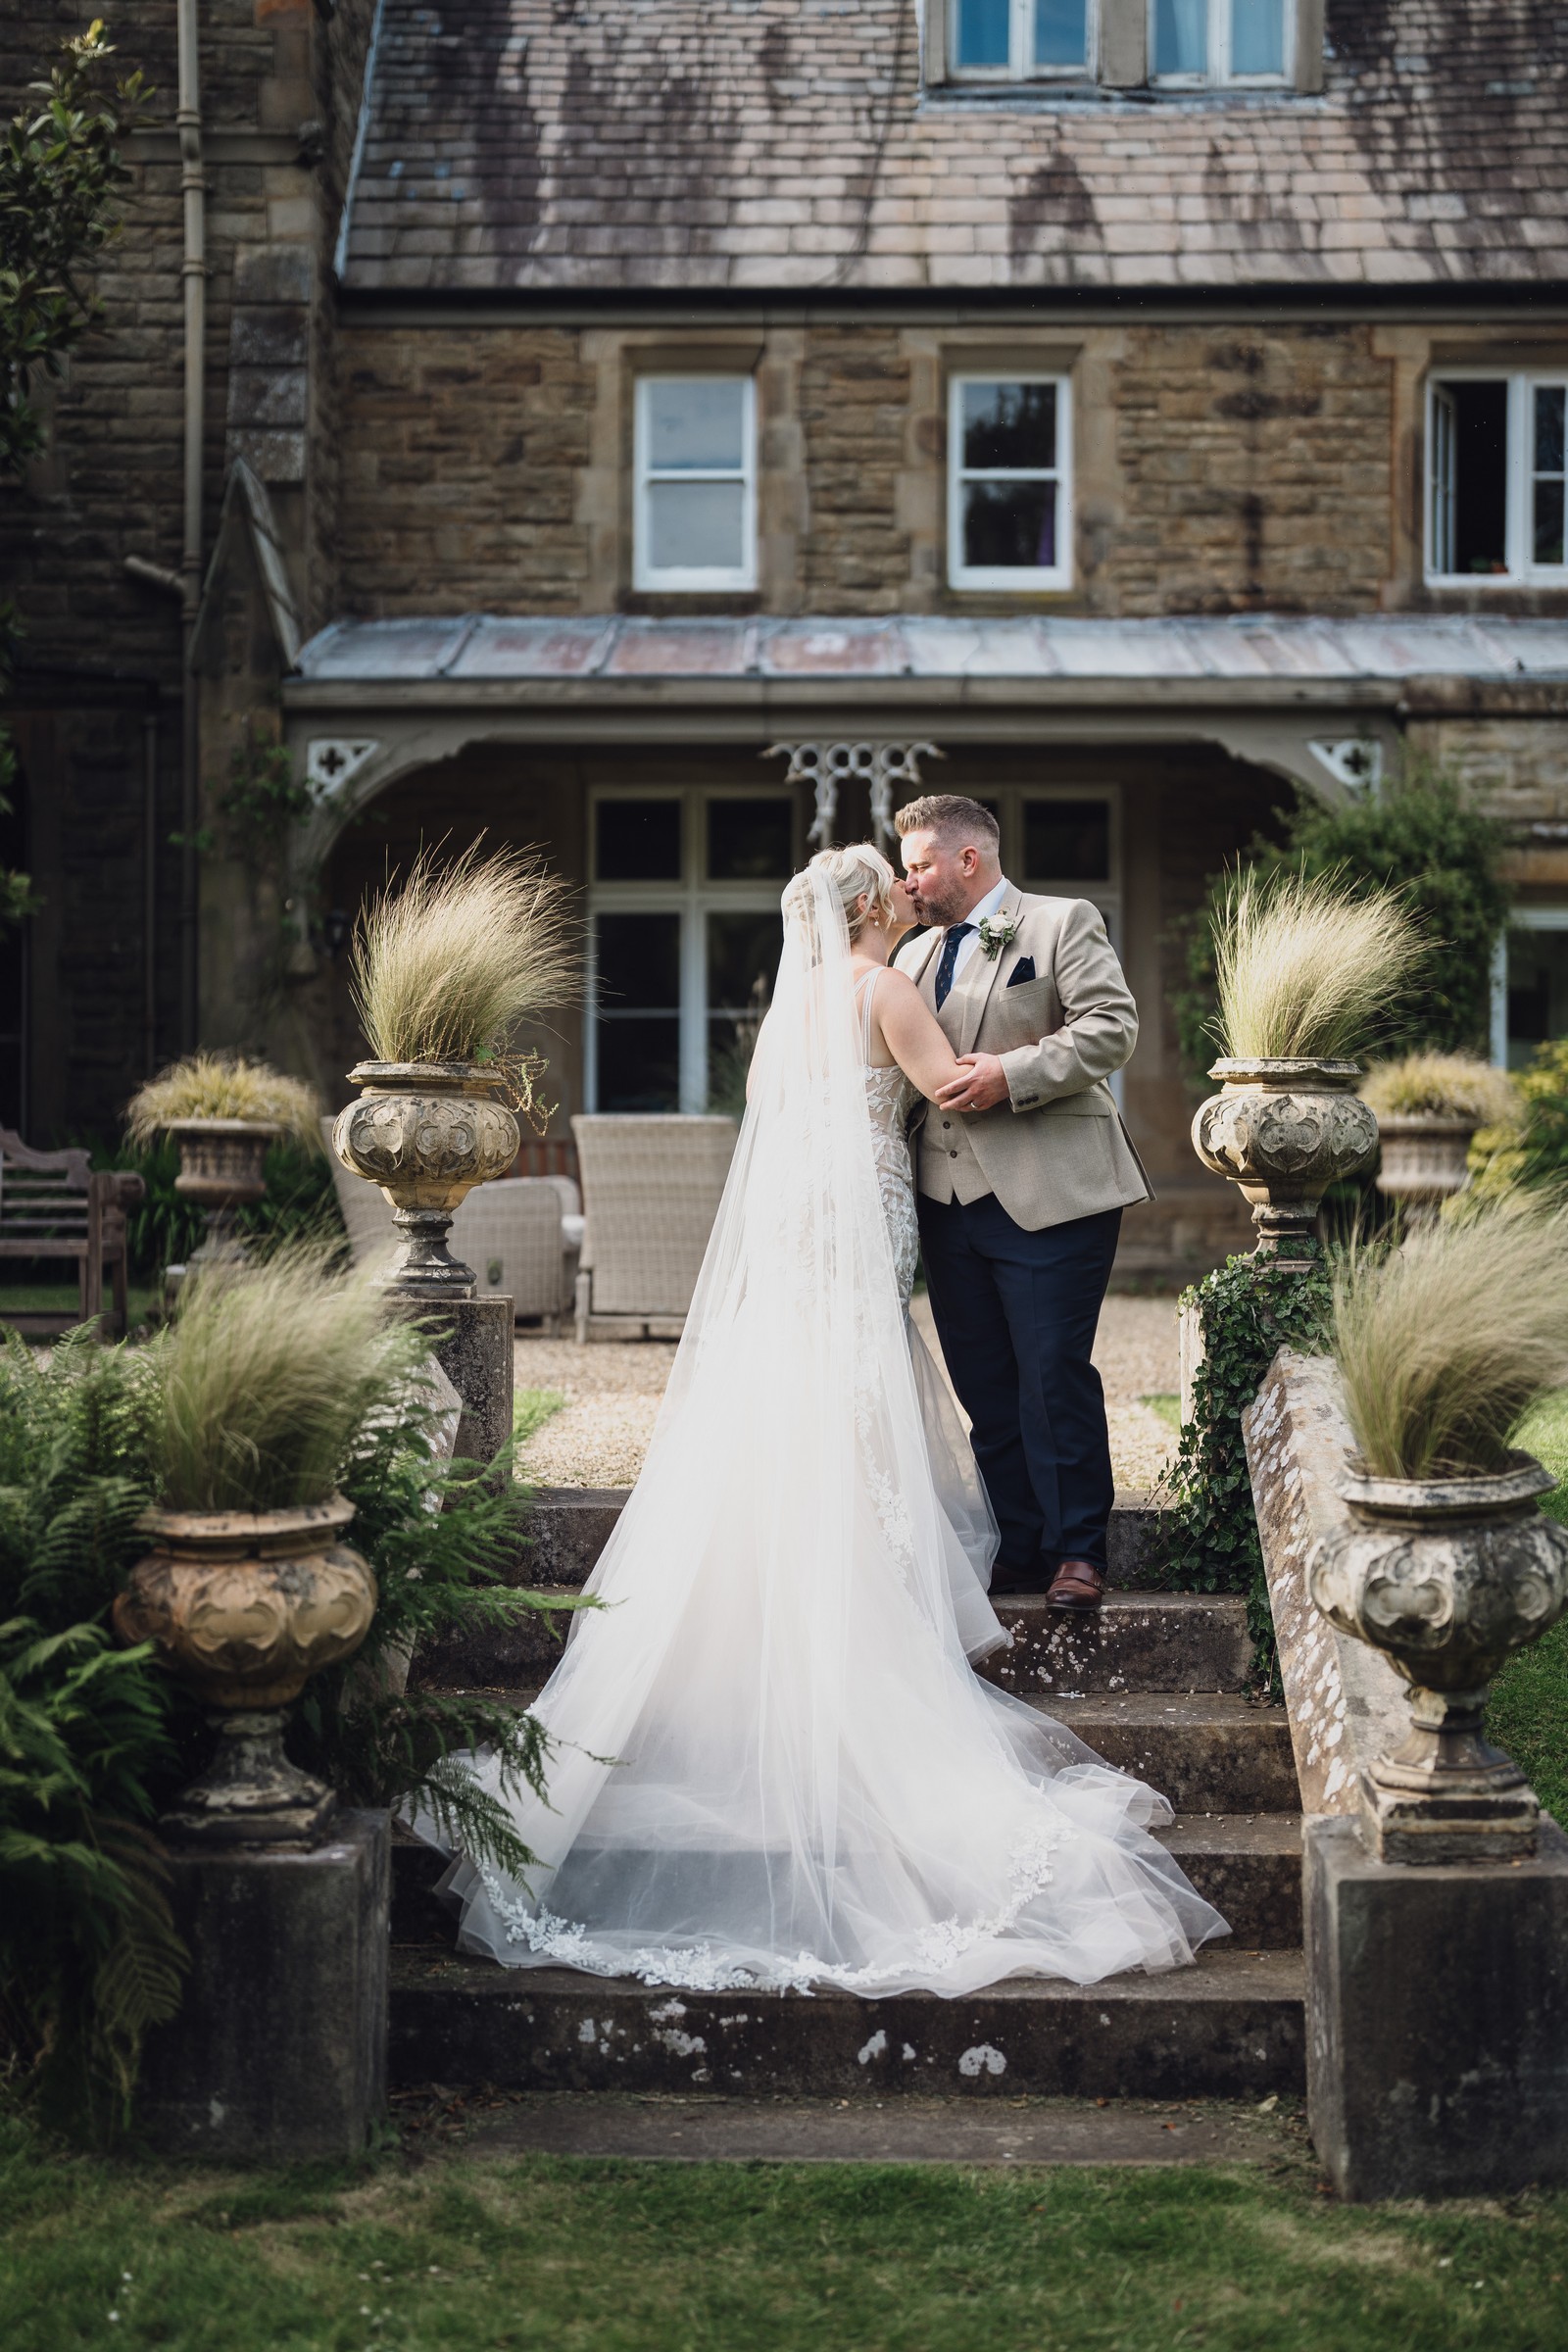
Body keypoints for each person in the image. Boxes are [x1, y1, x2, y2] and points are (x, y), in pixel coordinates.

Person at [417, 848, 1224, 1996]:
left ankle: (792, 1565)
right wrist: (985, 1068)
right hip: (868, 1218)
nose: (906, 892)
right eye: (890, 885)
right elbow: (945, 1087)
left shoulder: (790, 1009)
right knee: (859, 1388)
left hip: (801, 1218)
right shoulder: (884, 984)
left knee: (796, 1391)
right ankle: (865, 1589)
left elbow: (781, 1121)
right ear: (864, 909)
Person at [893, 794, 1152, 1612]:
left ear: (968, 860)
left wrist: (1011, 1074)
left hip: (1051, 1193)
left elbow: (1111, 1028)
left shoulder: (1059, 922)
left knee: (1050, 1376)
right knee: (986, 1383)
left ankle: (1080, 1550)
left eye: (921, 864)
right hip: (946, 1196)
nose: (910, 880)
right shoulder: (910, 956)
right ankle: (1021, 1544)